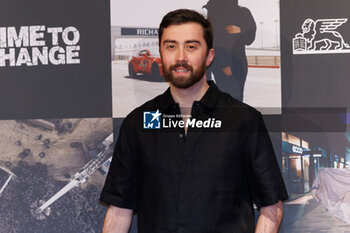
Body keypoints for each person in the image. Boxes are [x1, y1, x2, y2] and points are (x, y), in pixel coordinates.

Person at [100, 9, 288, 233]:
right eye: (171, 46)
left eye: (191, 46)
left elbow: (271, 208)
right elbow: (119, 210)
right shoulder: (137, 123)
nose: (180, 57)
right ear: (161, 53)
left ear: (209, 56)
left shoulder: (244, 121)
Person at [204, 0, 256, 101]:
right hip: (222, 61)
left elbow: (250, 37)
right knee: (228, 96)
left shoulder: (243, 12)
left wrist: (240, 30)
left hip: (237, 61)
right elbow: (213, 39)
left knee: (237, 95)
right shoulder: (215, 10)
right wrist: (224, 64)